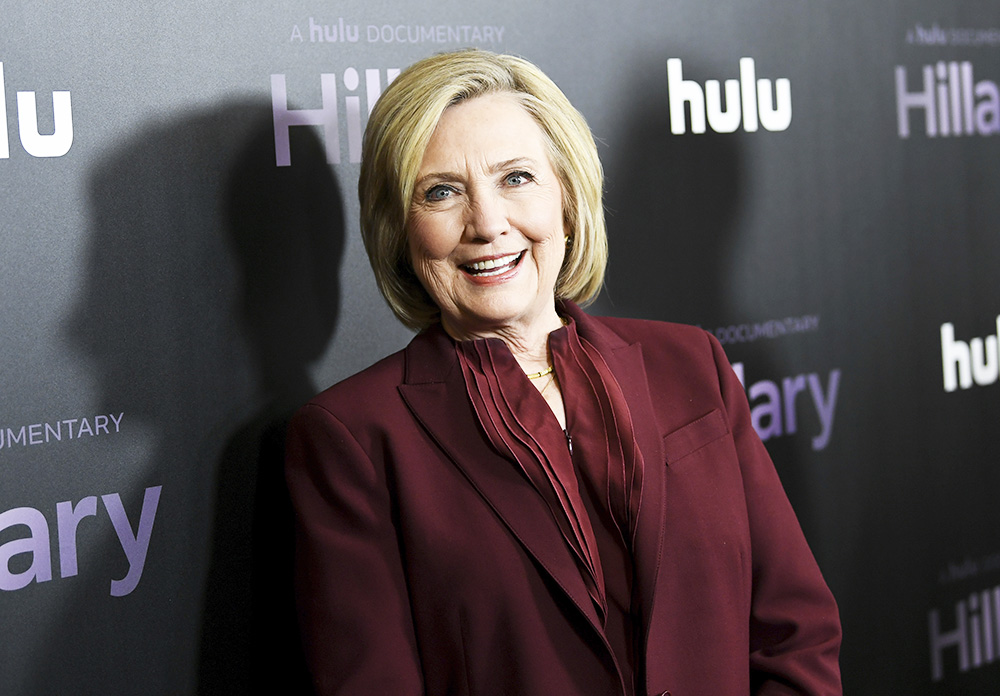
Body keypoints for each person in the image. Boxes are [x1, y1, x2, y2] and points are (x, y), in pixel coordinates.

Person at [284, 49, 842, 696]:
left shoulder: (692, 366)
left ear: (568, 198)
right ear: (400, 232)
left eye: (516, 178)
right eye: (441, 192)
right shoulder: (353, 439)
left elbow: (795, 631)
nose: (488, 224)